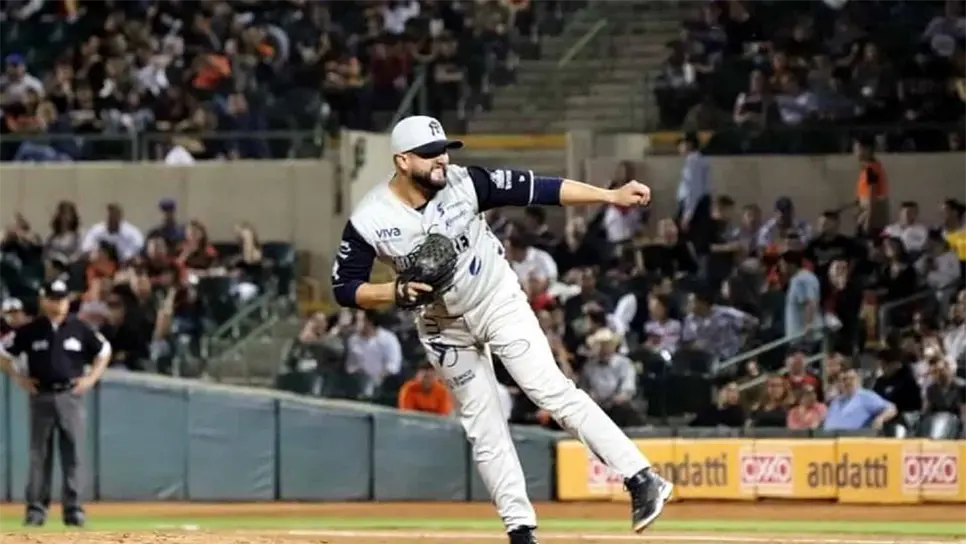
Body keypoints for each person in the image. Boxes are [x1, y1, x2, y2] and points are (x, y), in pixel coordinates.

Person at [331, 115, 671, 543]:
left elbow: (542, 188)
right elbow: (345, 288)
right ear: (402, 160)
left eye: (444, 150)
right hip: (442, 325)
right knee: (483, 426)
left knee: (550, 389)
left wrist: (609, 195)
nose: (442, 160)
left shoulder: (465, 182)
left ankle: (641, 477)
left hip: (495, 298)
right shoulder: (370, 219)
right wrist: (393, 292)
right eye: (430, 154)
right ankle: (520, 531)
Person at [0, 279, 111, 527]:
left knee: (73, 453)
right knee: (40, 454)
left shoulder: (80, 328)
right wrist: (18, 377)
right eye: (53, 298)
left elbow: (104, 350)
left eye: (61, 298)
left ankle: (74, 509)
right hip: (41, 394)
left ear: (67, 300)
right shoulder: (32, 330)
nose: (58, 303)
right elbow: (4, 351)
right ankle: (36, 509)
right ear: (44, 300)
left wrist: (91, 378)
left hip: (70, 394)